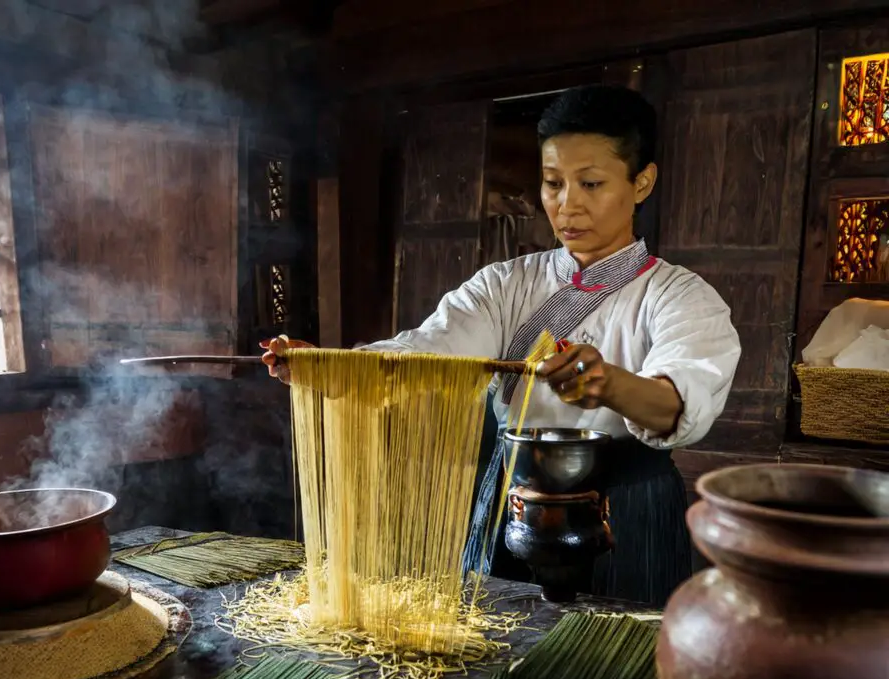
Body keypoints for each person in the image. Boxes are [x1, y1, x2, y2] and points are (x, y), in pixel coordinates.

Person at [261, 84, 741, 607]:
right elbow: (426, 349)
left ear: (642, 182)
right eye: (553, 183)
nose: (567, 205)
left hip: (626, 504)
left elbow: (679, 400)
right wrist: (328, 364)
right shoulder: (504, 285)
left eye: (591, 183)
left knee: (616, 659)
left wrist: (610, 385)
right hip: (510, 494)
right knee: (495, 644)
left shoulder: (680, 296)